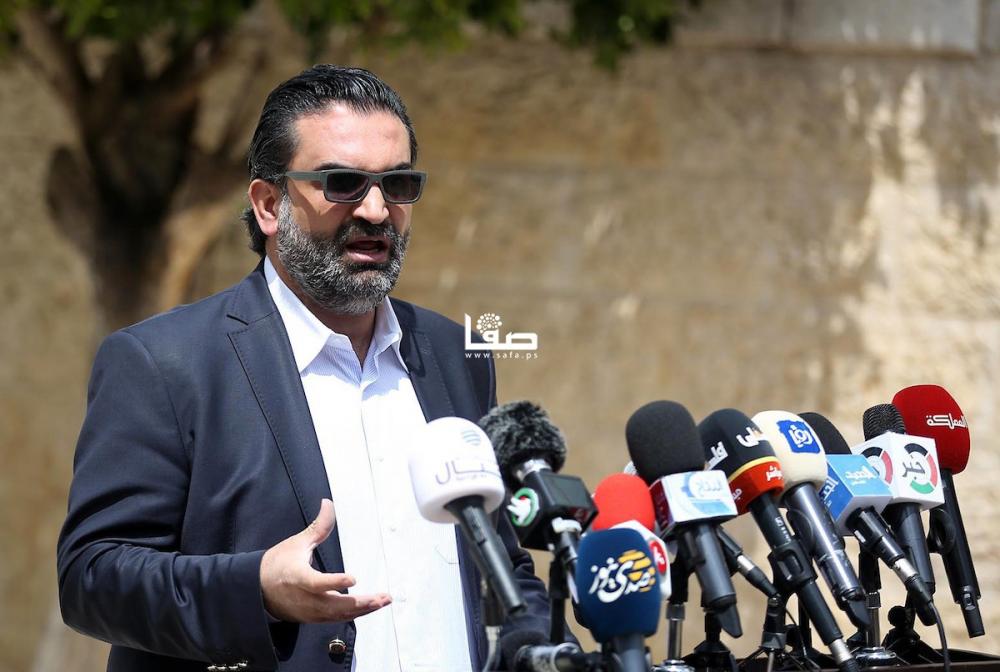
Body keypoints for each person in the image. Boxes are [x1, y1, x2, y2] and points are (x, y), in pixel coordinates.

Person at [57, 65, 551, 671]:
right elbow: (93, 577)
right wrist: (256, 589)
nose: (376, 210)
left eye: (398, 184)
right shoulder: (164, 362)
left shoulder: (454, 353)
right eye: (342, 183)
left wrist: (542, 650)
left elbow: (499, 562)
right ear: (269, 205)